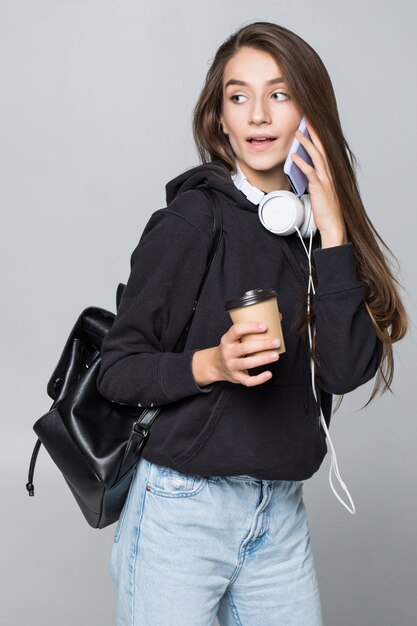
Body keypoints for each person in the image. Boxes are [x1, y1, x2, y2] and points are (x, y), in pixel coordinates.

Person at [96, 21, 408, 626]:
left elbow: (343, 372)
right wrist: (211, 363)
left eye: (280, 94)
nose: (258, 115)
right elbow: (117, 367)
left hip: (279, 512)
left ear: (309, 112)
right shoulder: (193, 219)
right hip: (182, 510)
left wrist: (335, 235)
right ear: (220, 119)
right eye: (239, 97)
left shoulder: (315, 231)